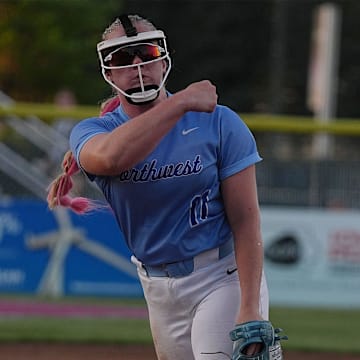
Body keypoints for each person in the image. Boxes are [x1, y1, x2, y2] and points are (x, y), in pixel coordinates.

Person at [47, 14, 274, 360]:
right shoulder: (93, 132)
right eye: (123, 58)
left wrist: (250, 306)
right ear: (108, 73)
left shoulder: (219, 122)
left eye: (147, 52)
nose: (138, 65)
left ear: (164, 60)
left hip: (220, 275)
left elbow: (246, 220)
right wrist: (179, 102)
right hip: (156, 287)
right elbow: (110, 159)